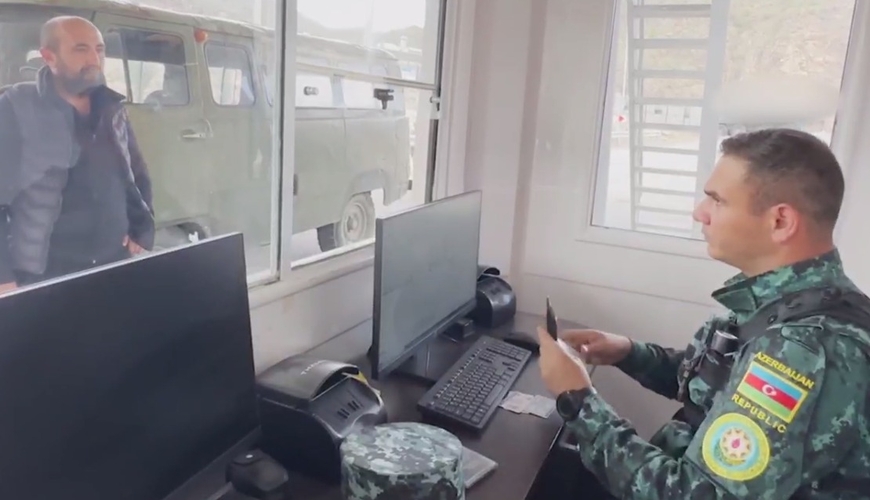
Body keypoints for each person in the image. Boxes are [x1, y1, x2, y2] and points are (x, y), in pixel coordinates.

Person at [537, 128, 870, 498]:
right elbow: (720, 383)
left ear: (780, 222)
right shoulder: (789, 299)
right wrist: (630, 353)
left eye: (717, 201)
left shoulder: (805, 349)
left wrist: (577, 399)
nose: (700, 213)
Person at [0, 16, 154, 294]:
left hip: (112, 262)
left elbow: (136, 170)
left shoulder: (111, 106)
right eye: (81, 49)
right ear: (49, 57)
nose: (94, 59)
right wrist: (3, 276)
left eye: (99, 49)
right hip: (44, 274)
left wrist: (142, 227)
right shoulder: (16, 107)